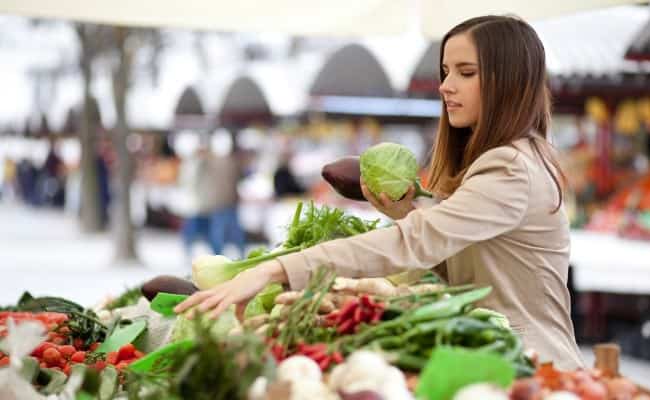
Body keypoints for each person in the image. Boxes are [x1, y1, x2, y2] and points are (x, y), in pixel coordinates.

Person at [176, 15, 585, 370]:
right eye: (445, 71)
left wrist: (274, 269)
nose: (445, 86)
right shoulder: (505, 159)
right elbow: (465, 268)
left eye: (465, 72)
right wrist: (409, 211)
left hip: (531, 363)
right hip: (493, 355)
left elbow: (416, 243)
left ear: (508, 80)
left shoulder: (510, 167)